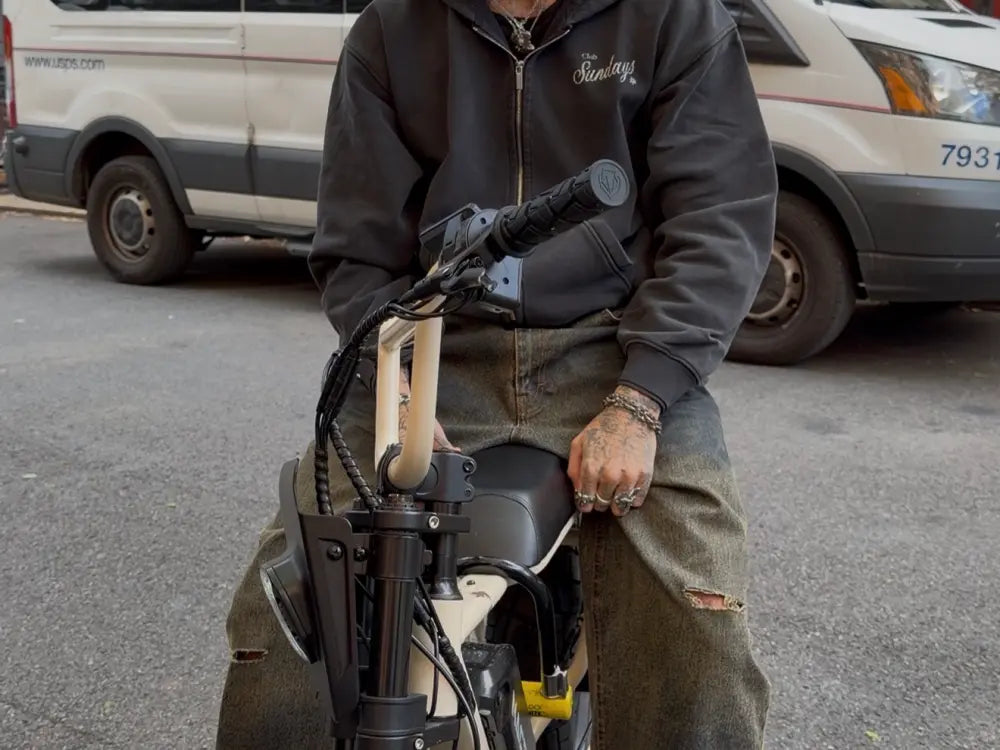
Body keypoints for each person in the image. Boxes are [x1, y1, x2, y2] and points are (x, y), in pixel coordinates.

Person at [216, 0, 777, 747]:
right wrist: (400, 375)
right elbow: (356, 245)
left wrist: (641, 400)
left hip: (612, 351)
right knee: (287, 605)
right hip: (437, 343)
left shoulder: (673, 17)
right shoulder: (390, 29)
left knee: (694, 607)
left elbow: (720, 220)